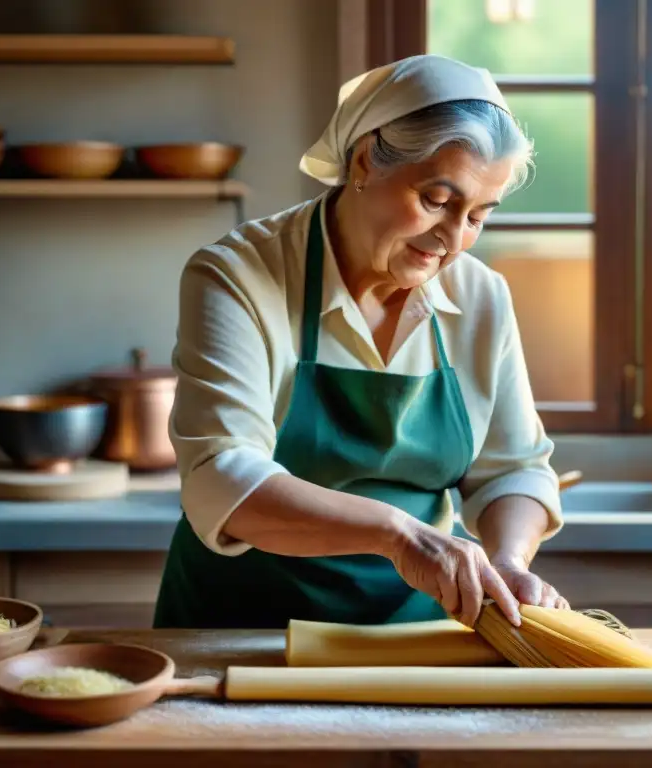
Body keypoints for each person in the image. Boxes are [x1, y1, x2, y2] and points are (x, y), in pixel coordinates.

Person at [153, 54, 569, 632]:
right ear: (366, 161)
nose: (453, 239)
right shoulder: (238, 276)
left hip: (418, 639)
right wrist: (398, 535)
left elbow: (512, 470)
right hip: (244, 632)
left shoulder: (482, 298)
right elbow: (223, 477)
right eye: (437, 200)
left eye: (478, 215)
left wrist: (506, 559)